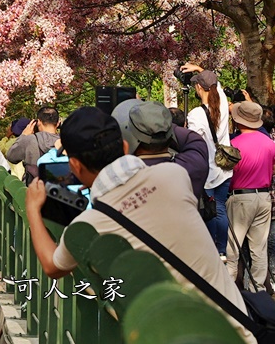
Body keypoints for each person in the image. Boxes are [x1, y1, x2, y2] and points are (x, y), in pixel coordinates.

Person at [24, 107, 256, 344]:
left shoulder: (90, 224)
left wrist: (33, 208)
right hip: (239, 332)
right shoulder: (174, 175)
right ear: (125, 147)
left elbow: (53, 266)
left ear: (74, 165)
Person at [112, 99, 209, 201]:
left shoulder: (122, 178)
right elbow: (191, 138)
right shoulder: (193, 165)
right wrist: (159, 120)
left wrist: (142, 119)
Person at [186, 66, 236, 257]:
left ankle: (211, 251)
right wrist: (200, 68)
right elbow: (217, 85)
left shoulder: (195, 114)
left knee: (208, 210)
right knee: (221, 208)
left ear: (199, 88)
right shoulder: (223, 104)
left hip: (206, 170)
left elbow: (194, 141)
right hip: (224, 168)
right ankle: (222, 250)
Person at [227, 100, 275, 291]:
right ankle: (259, 293)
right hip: (263, 197)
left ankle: (229, 290)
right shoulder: (270, 143)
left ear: (238, 121)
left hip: (239, 197)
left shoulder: (232, 144)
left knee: (233, 249)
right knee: (259, 249)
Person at [7, 107, 61, 183]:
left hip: (35, 188)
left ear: (38, 122)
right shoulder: (66, 141)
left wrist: (23, 135)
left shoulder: (30, 139)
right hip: (60, 189)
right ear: (58, 123)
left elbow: (11, 157)